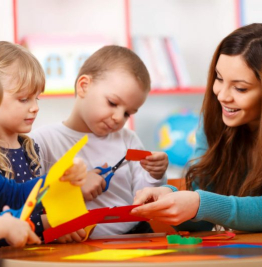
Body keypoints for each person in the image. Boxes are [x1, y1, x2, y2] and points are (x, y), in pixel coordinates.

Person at [131, 23, 262, 232]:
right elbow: (203, 217)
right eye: (218, 78)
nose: (222, 95)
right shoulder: (217, 116)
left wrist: (199, 203)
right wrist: (170, 196)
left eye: (240, 88)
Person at [30, 45, 168, 238]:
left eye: (128, 113)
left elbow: (144, 200)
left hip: (135, 234)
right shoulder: (42, 141)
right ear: (84, 86)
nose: (119, 117)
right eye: (112, 103)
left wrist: (155, 175)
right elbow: (29, 202)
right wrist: (73, 189)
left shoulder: (129, 140)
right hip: (73, 242)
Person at [0, 41, 87, 243]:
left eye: (36, 98)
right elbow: (14, 201)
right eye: (24, 99)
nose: (35, 107)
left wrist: (65, 176)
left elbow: (30, 204)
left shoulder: (30, 149)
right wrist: (46, 225)